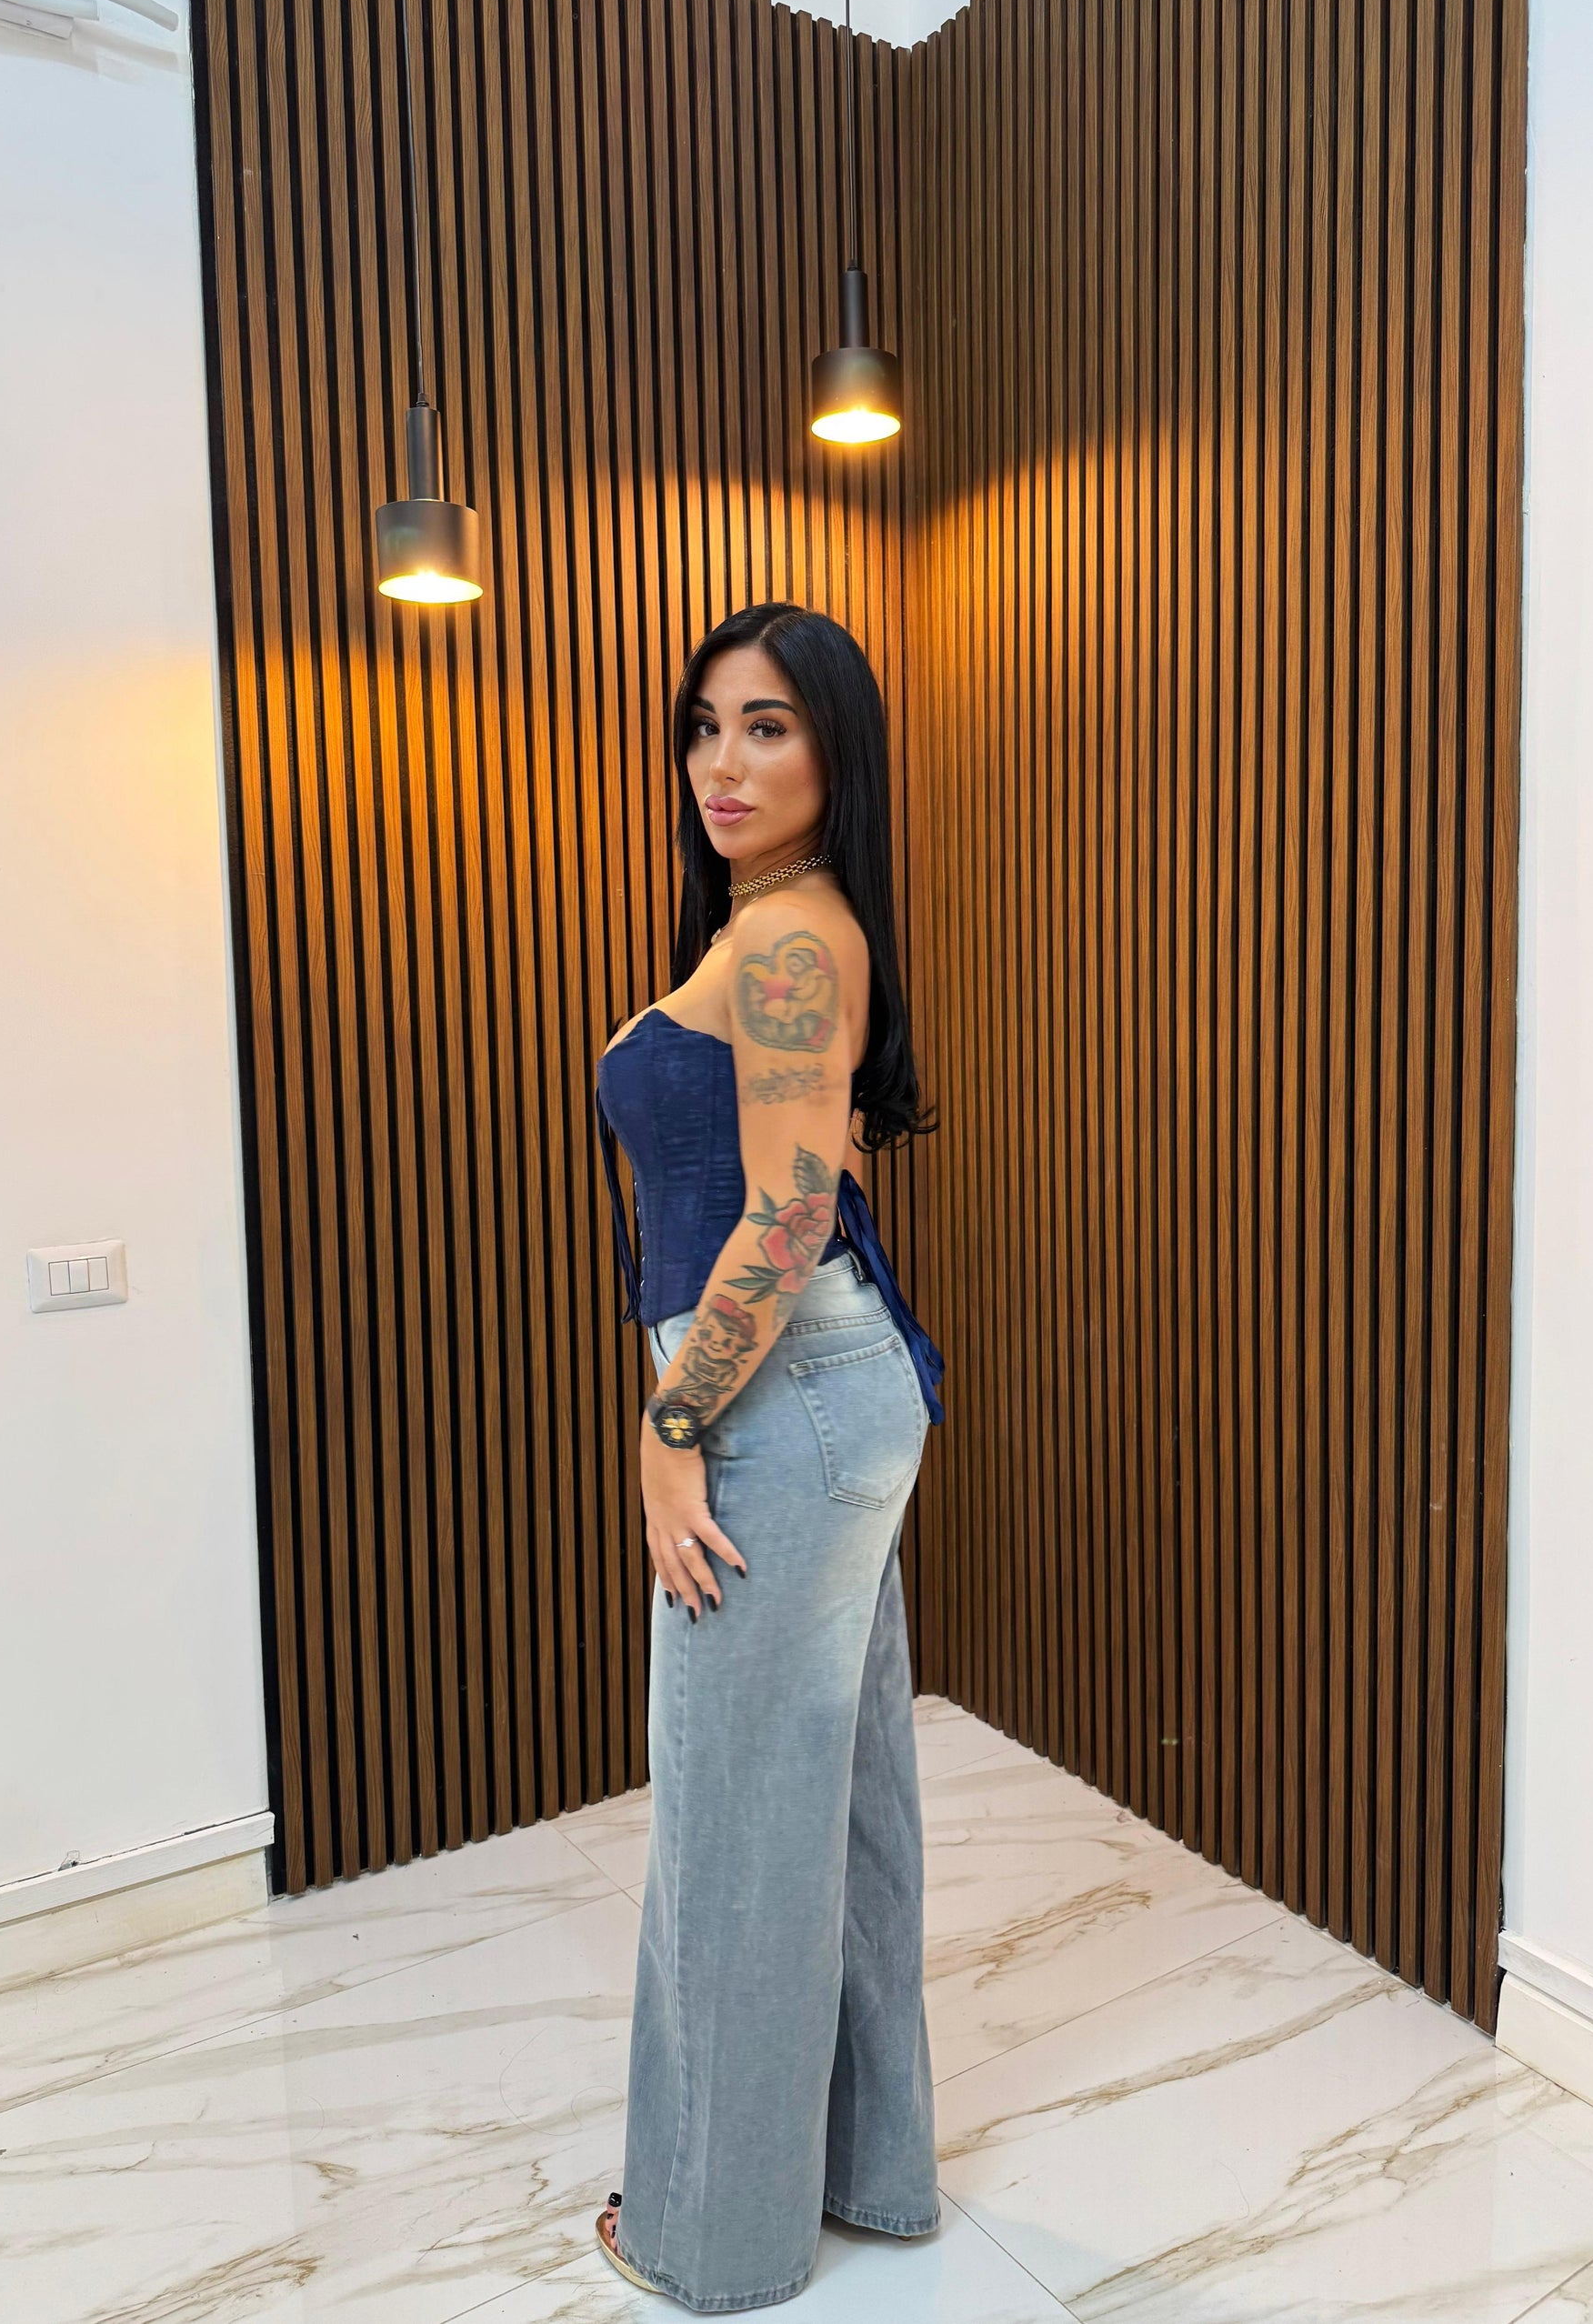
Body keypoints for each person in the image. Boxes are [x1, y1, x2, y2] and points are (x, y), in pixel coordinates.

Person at [590, 602, 946, 2311]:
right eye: (705, 725)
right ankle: (870, 2176)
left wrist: (672, 1427)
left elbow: (791, 1212)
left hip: (773, 1410)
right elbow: (810, 1169)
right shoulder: (785, 925)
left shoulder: (794, 940)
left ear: (833, 752)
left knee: (736, 1820)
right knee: (839, 1796)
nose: (722, 763)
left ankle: (711, 2236)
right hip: (822, 1398)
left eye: (769, 727)